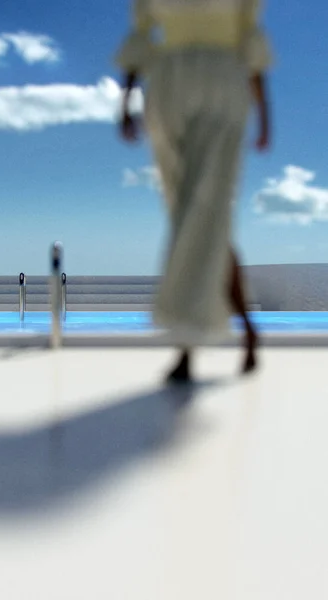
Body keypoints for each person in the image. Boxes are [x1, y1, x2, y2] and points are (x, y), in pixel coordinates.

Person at [116, 0, 272, 383]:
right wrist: (125, 103)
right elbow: (140, 38)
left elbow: (251, 49)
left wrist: (264, 116)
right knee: (192, 218)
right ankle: (241, 332)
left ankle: (187, 351)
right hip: (170, 87)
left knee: (205, 215)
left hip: (223, 85)